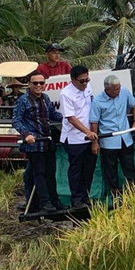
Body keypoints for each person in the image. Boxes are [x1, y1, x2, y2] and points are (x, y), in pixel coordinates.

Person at [12, 72, 66, 213]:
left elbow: (52, 114)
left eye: (41, 83)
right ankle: (45, 203)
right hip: (34, 144)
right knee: (39, 174)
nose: (38, 86)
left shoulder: (46, 98)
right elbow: (16, 120)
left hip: (48, 142)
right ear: (29, 84)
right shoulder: (23, 100)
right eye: (35, 83)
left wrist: (69, 118)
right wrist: (26, 134)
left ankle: (53, 201)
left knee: (48, 174)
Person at [89, 75, 135, 198]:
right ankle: (116, 196)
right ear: (107, 89)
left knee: (130, 167)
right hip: (108, 141)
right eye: (115, 89)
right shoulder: (97, 102)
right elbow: (94, 122)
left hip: (125, 138)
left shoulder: (124, 92)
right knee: (110, 171)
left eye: (119, 88)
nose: (118, 91)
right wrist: (94, 143)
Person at [59, 65, 98, 210]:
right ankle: (76, 199)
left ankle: (85, 196)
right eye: (81, 81)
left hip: (90, 137)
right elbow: (71, 118)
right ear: (73, 80)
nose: (85, 83)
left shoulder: (88, 88)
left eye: (87, 80)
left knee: (89, 168)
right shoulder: (66, 94)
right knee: (76, 170)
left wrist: (93, 136)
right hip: (74, 138)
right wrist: (86, 132)